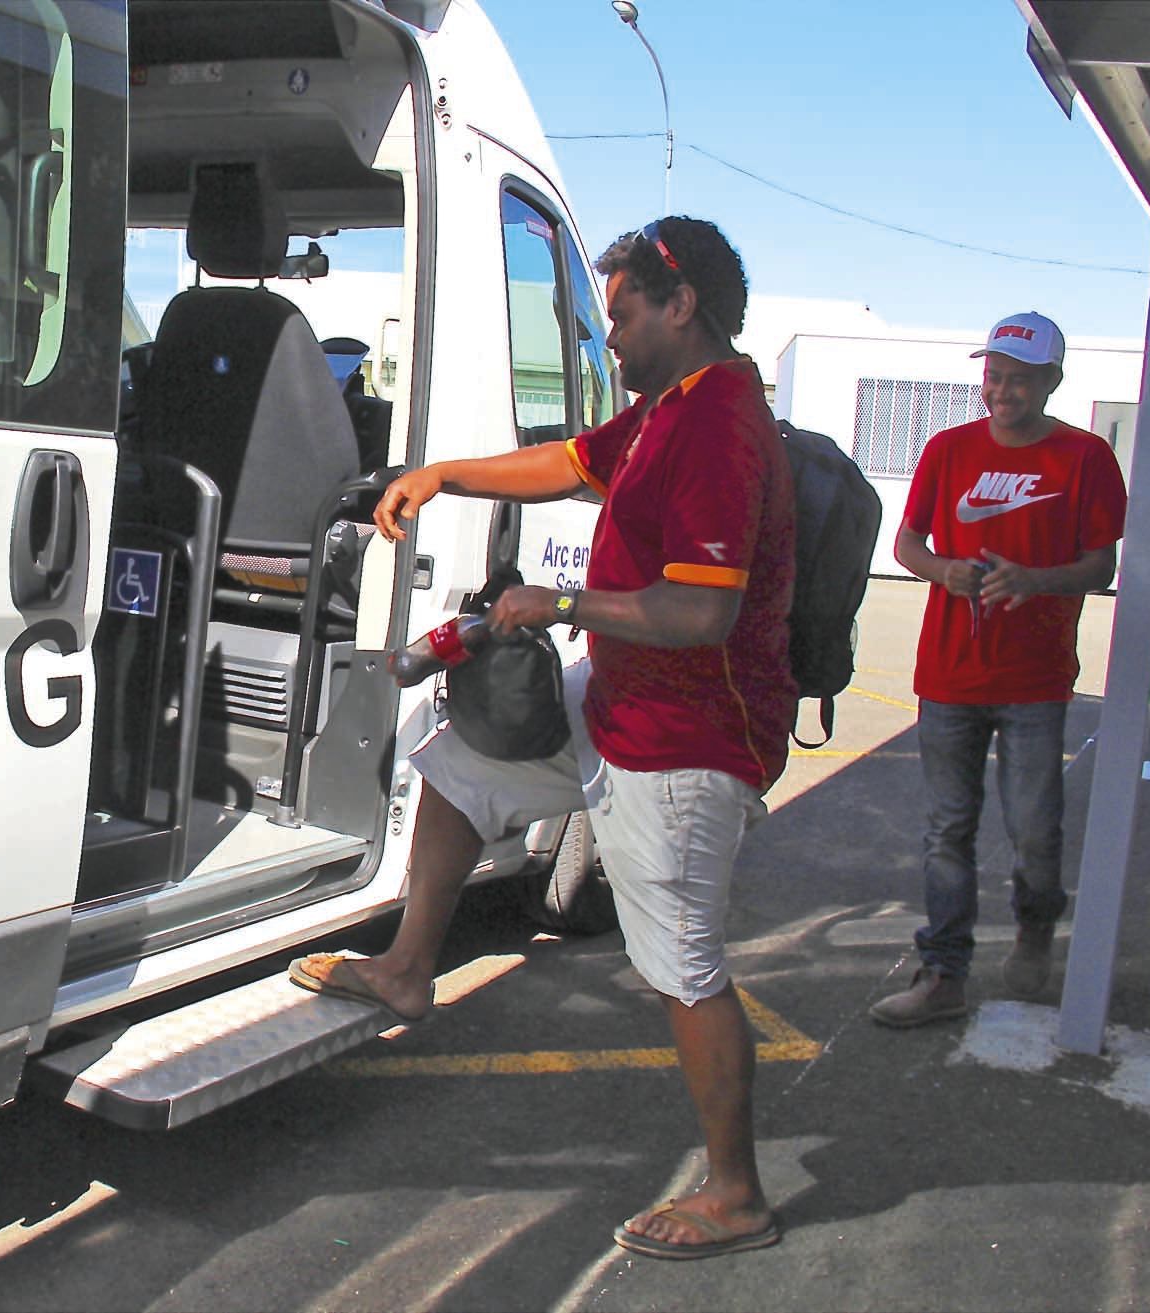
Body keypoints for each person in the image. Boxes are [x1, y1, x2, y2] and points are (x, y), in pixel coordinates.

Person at [289, 217, 796, 1260]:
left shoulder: (721, 427)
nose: (605, 335)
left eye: (617, 315)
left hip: (687, 743)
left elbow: (700, 614)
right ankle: (406, 966)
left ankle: (736, 1190)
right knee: (460, 757)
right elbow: (568, 462)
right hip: (619, 699)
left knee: (681, 966)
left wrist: (555, 598)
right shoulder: (665, 408)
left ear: (680, 303)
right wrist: (440, 475)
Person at [869, 312, 1128, 1027]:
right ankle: (943, 973)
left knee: (1033, 829)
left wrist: (1033, 580)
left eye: (1017, 378)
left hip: (1034, 681)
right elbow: (908, 543)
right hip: (948, 677)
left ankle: (1034, 928)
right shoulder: (948, 448)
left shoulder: (1083, 458)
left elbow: (1100, 564)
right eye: (992, 376)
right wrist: (943, 570)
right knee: (946, 830)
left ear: (1050, 380)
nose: (1001, 391)